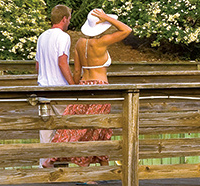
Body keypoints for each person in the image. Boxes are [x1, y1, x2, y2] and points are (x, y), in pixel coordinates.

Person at [41, 9, 133, 168]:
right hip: (101, 89)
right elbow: (127, 30)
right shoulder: (102, 42)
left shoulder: (79, 43)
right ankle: (85, 171)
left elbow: (77, 71)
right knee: (94, 129)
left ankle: (104, 168)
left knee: (80, 127)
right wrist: (106, 18)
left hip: (83, 85)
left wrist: (76, 90)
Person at [35, 4, 75, 87]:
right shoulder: (63, 36)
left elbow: (38, 65)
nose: (69, 22)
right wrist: (73, 85)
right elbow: (62, 63)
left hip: (42, 86)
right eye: (69, 19)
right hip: (59, 86)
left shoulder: (42, 36)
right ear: (64, 19)